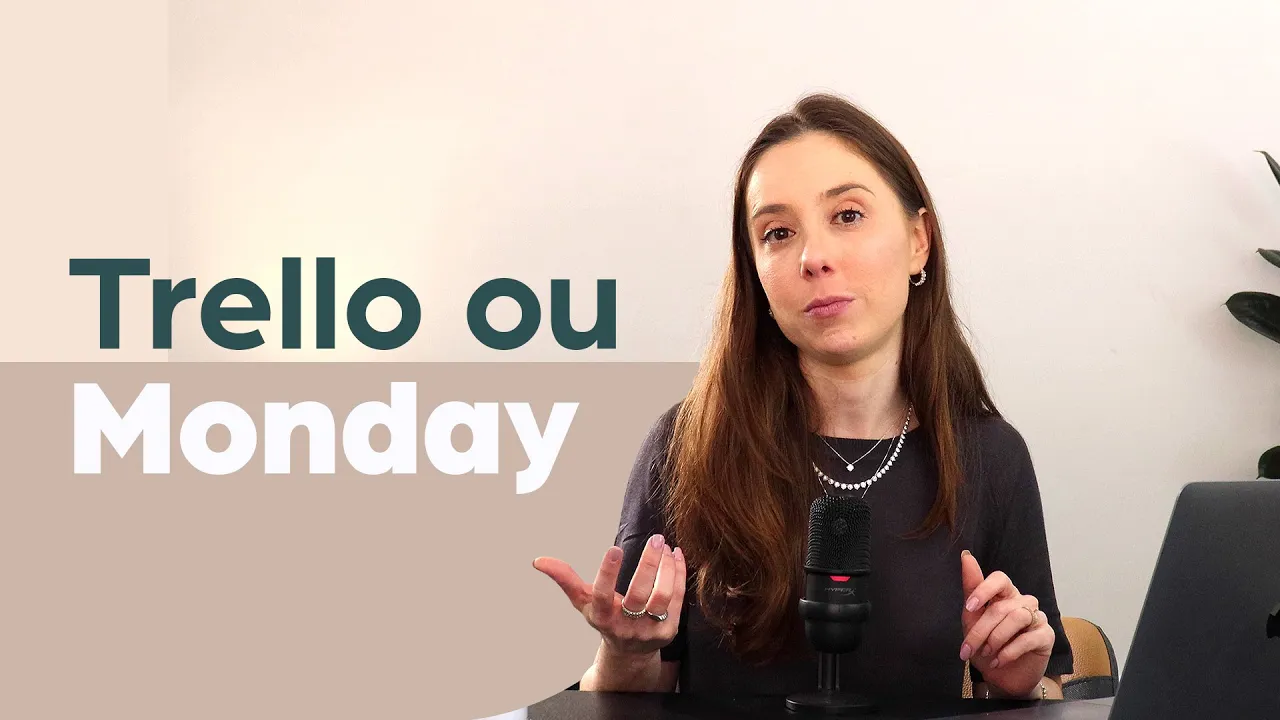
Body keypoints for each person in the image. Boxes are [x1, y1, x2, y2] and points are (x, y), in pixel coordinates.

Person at [532, 92, 1074, 702]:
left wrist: (1021, 685)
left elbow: (1044, 686)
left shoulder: (991, 457)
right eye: (779, 233)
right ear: (756, 273)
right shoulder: (685, 448)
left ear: (918, 240)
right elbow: (624, 694)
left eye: (848, 215)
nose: (814, 258)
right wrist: (625, 653)